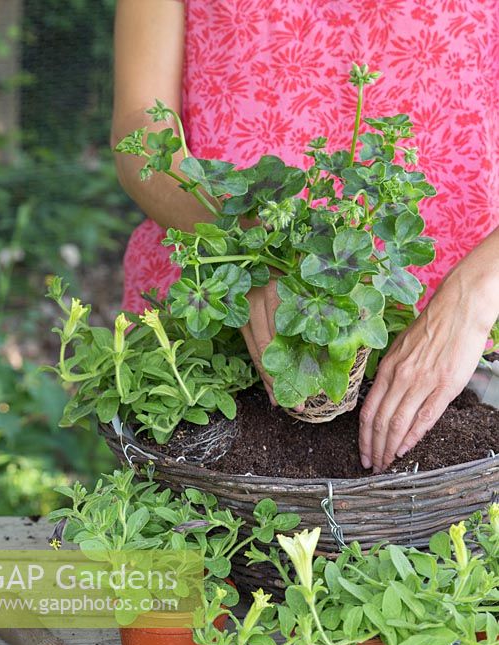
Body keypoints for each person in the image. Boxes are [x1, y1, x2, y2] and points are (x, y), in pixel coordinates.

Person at [111, 0, 499, 473]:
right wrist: (246, 249)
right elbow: (140, 127)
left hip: (459, 358)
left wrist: (474, 296)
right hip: (211, 321)